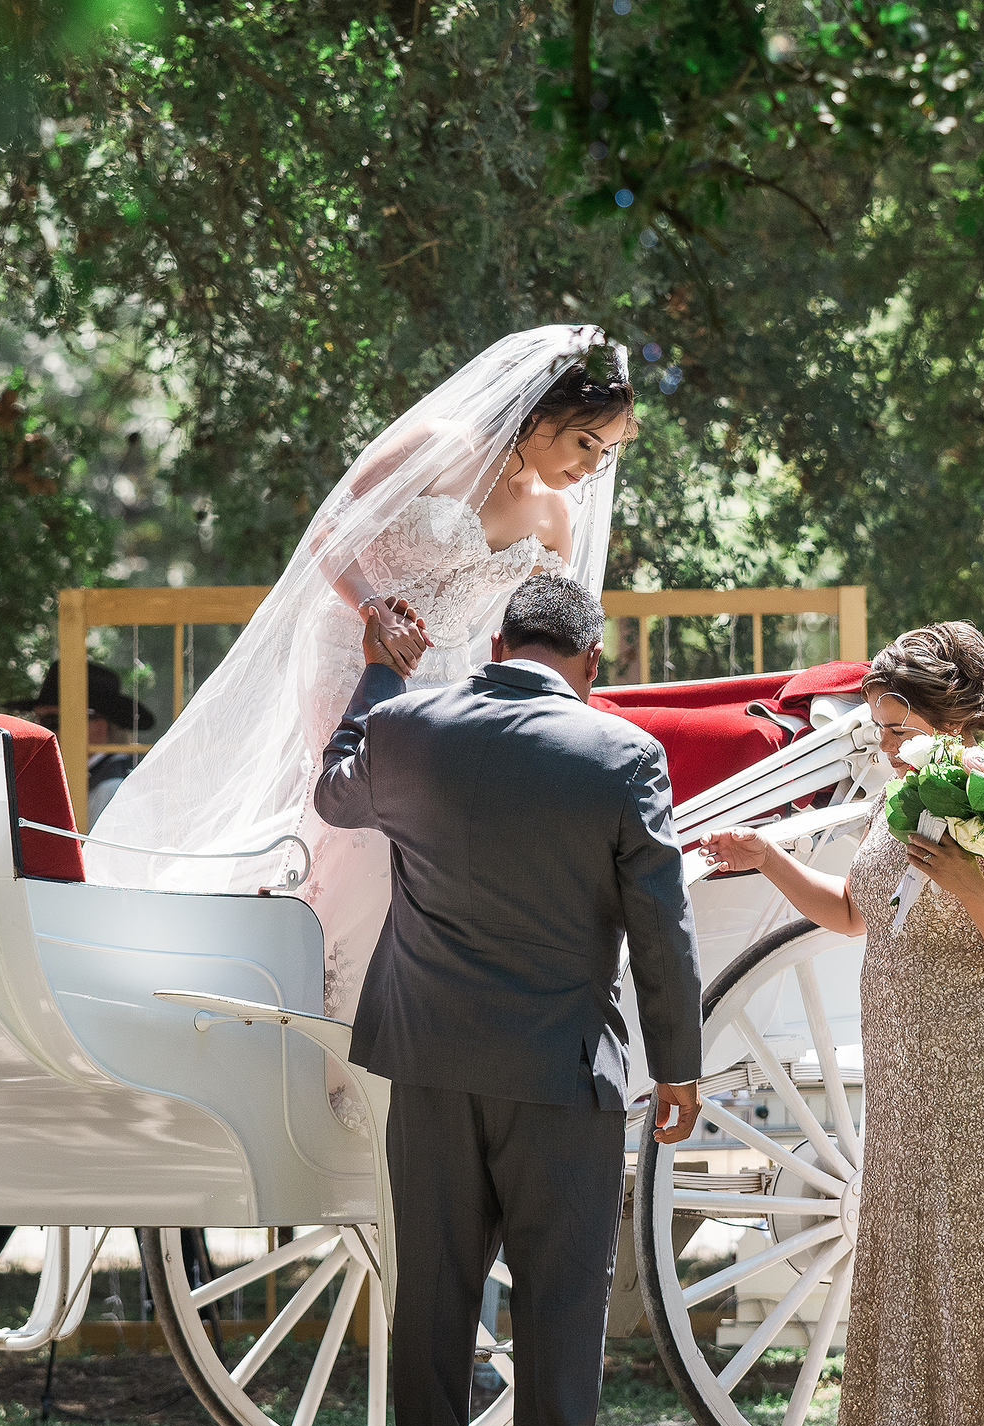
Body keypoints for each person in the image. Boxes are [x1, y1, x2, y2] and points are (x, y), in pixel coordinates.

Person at [89, 325, 637, 1131]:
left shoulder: (555, 516)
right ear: (541, 408)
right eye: (586, 441)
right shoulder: (437, 447)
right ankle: (324, 1035)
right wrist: (372, 608)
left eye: (608, 453)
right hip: (353, 649)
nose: (590, 468)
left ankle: (390, 1030)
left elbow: (540, 630)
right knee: (367, 826)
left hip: (445, 682)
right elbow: (329, 533)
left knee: (423, 842)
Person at [314, 573, 703, 1426]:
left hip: (429, 1055)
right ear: (592, 660)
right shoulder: (623, 754)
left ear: (495, 641)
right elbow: (661, 926)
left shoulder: (411, 725)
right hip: (560, 1063)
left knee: (436, 1290)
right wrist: (680, 1063)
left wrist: (374, 676)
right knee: (560, 1288)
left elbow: (333, 789)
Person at [702, 621, 984, 1426]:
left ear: (953, 721)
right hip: (905, 1057)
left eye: (899, 729)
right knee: (902, 1248)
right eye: (881, 731)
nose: (888, 747)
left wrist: (976, 888)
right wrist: (769, 858)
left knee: (979, 1256)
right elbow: (855, 913)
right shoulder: (896, 804)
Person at [12, 661, 161, 824]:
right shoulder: (91, 778)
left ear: (97, 728)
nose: (39, 730)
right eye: (35, 721)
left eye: (52, 721)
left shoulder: (112, 787)